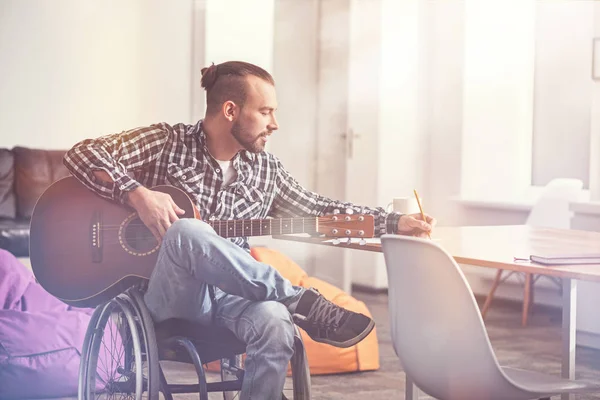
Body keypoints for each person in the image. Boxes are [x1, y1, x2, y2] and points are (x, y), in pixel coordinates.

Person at [63, 61, 436, 399]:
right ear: (231, 111)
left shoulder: (266, 170)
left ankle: (288, 307)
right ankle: (301, 301)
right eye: (266, 111)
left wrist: (391, 221)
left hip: (231, 298)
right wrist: (138, 195)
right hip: (167, 298)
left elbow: (319, 209)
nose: (275, 123)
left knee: (274, 320)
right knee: (186, 232)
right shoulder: (167, 143)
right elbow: (82, 152)